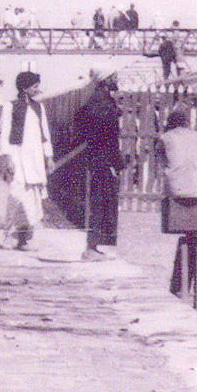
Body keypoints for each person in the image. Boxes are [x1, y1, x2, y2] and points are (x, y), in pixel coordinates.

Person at [68, 75, 127, 260]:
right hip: (104, 160)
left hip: (98, 159)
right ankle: (91, 248)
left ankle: (93, 247)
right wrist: (114, 162)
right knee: (100, 202)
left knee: (99, 201)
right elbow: (109, 137)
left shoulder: (97, 100)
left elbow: (80, 122)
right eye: (114, 78)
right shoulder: (104, 104)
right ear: (106, 81)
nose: (117, 81)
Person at [0, 70, 50, 248]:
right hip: (16, 155)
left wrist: (49, 156)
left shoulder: (38, 107)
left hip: (35, 159)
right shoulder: (10, 106)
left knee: (32, 199)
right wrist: (7, 157)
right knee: (16, 195)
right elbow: (4, 133)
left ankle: (23, 239)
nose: (37, 89)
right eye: (34, 86)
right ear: (24, 88)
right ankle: (8, 236)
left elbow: (44, 134)